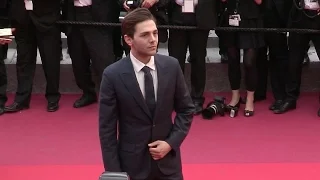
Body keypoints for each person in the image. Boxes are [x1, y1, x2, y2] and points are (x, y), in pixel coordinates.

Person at [99, 8, 195, 180]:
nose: (153, 40)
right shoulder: (112, 75)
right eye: (145, 35)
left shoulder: (172, 67)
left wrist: (170, 143)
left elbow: (186, 110)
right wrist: (114, 173)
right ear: (129, 39)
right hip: (131, 167)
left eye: (155, 33)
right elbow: (107, 130)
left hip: (168, 165)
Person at [5, 0, 62, 113]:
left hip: (47, 18)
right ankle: (21, 100)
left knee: (50, 60)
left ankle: (53, 97)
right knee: (23, 61)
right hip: (22, 19)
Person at [62, 0, 119, 108]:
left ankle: (111, 97)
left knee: (103, 61)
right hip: (73, 15)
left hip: (98, 15)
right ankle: (88, 93)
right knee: (78, 61)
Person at [168, 0, 217, 114]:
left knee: (198, 60)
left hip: (200, 19)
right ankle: (175, 97)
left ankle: (197, 98)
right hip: (177, 18)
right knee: (175, 60)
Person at [221, 0, 265, 117]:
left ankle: (250, 98)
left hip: (251, 19)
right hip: (231, 17)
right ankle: (235, 96)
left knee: (249, 62)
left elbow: (259, 1)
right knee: (232, 59)